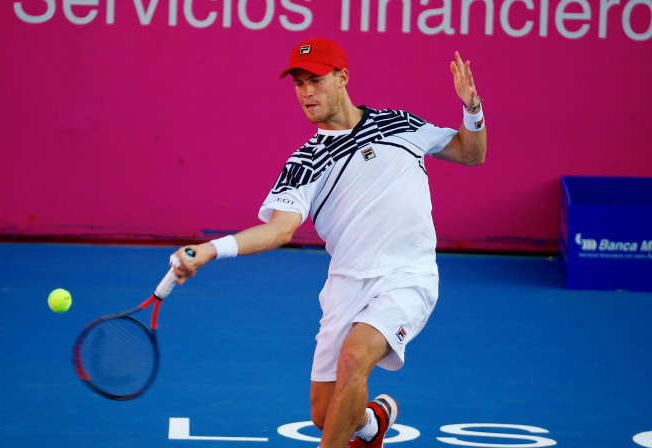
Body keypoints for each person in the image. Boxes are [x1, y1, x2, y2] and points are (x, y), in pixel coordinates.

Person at [171, 37, 487, 448]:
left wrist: (472, 110)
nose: (306, 92)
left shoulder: (400, 125)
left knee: (354, 358)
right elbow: (279, 230)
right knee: (325, 413)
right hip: (345, 286)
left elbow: (470, 153)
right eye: (298, 84)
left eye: (315, 80)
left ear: (342, 77)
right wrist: (212, 249)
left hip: (408, 276)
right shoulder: (305, 163)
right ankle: (372, 427)